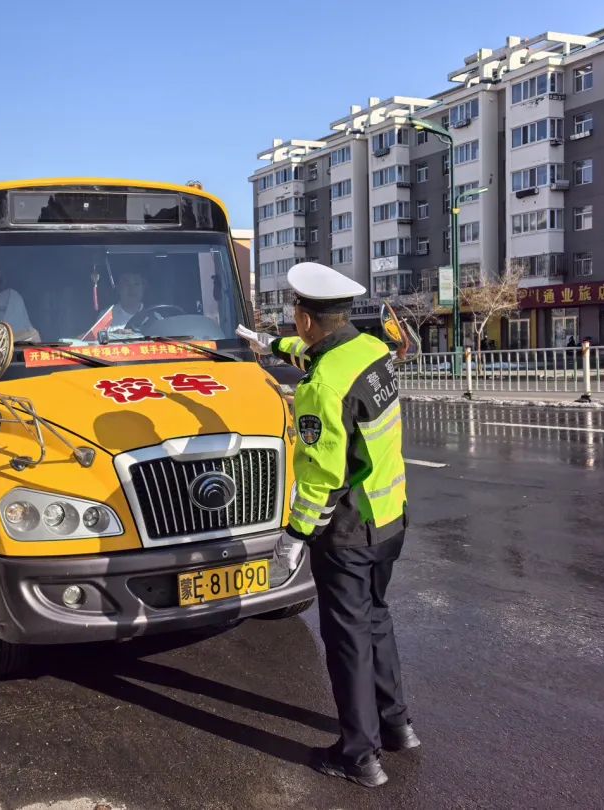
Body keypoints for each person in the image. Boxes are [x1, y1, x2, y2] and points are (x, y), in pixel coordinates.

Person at [240, 261, 417, 789]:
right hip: (390, 517)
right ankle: (398, 726)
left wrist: (295, 536)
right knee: (376, 618)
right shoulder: (371, 350)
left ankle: (359, 756)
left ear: (305, 317)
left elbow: (321, 477)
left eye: (294, 314)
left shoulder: (319, 389)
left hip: (349, 532)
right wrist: (270, 345)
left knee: (347, 640)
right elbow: (317, 352)